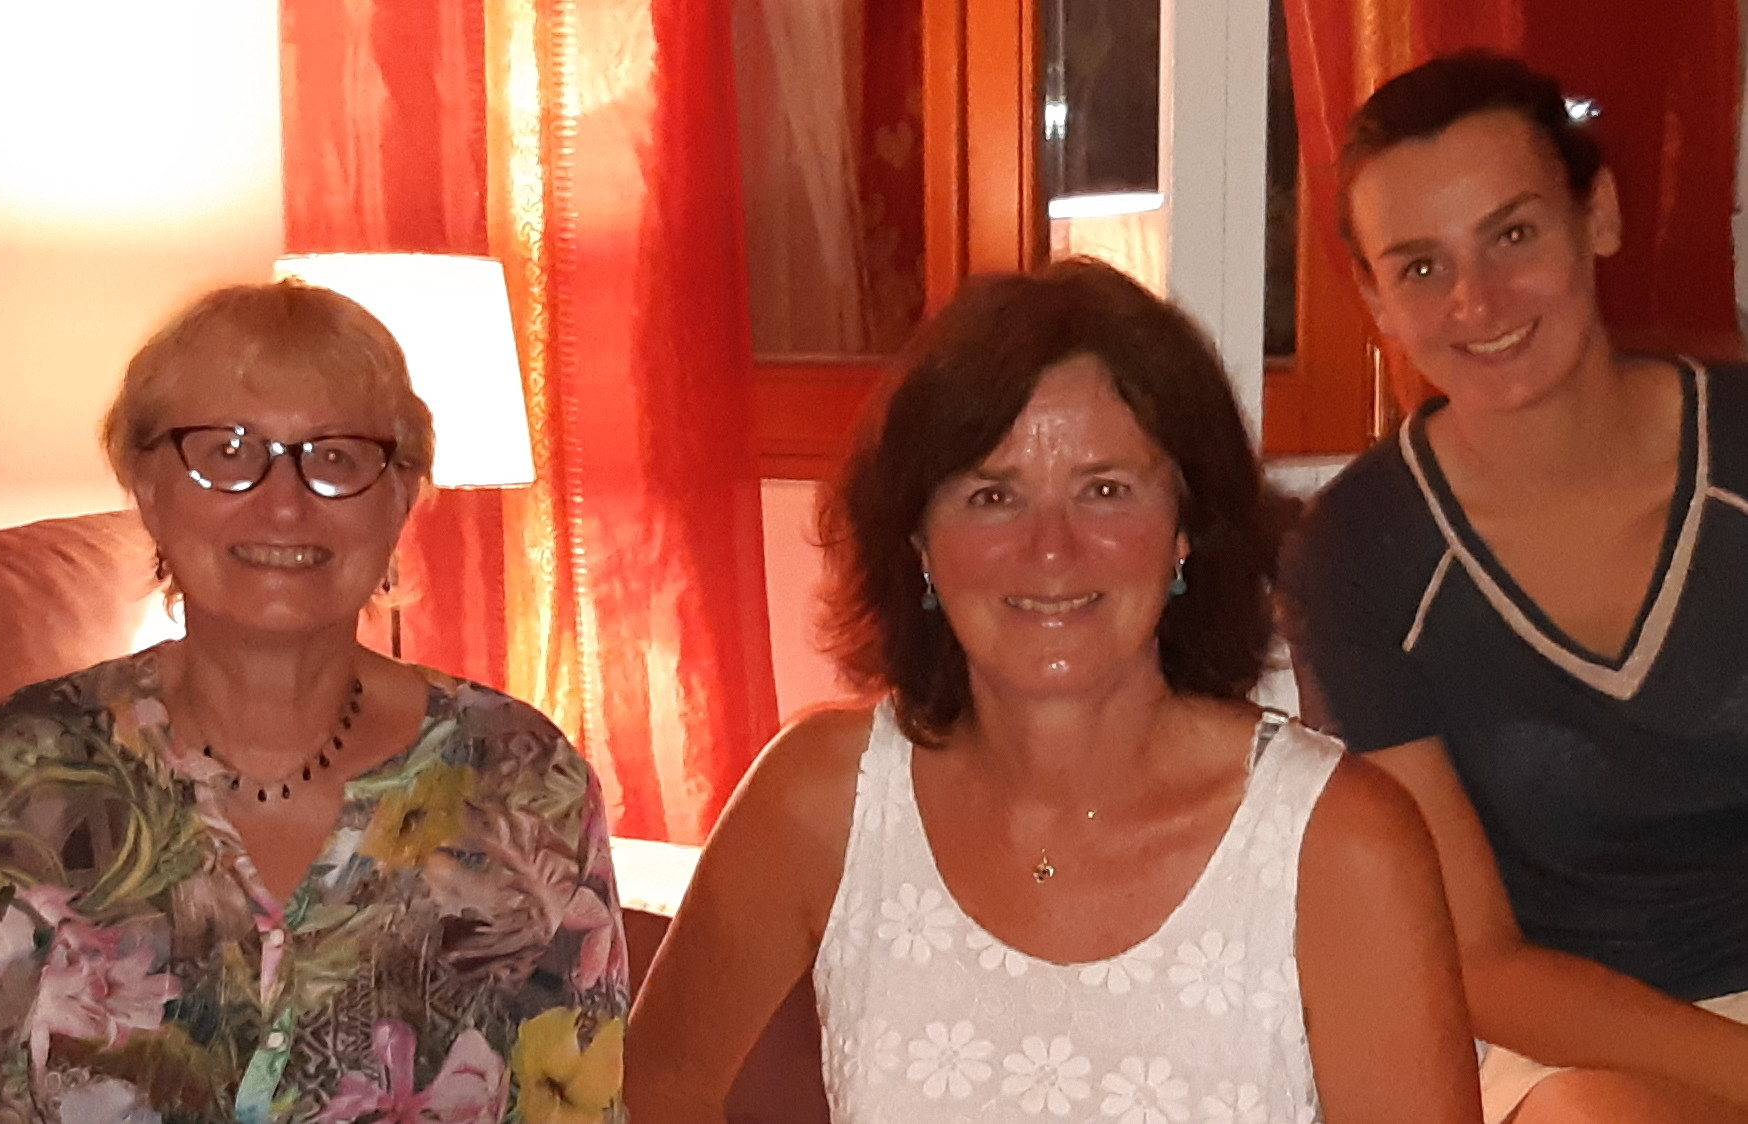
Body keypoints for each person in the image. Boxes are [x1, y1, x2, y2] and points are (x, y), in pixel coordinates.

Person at [628, 260, 1478, 1123]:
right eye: (993, 496)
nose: (1050, 550)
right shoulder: (819, 803)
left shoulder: (1341, 845)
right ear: (918, 540)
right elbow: (657, 1090)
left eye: (1105, 490)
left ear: (1184, 526)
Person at [0, 281, 626, 1124]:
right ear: (146, 485)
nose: (285, 503)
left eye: (337, 458)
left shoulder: (526, 780)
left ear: (400, 496)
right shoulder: (27, 764)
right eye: (227, 451)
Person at [1287, 51, 1748, 1123]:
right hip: (1567, 1048)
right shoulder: (1360, 552)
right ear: (1373, 298)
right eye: (1420, 266)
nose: (1476, 300)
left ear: (1600, 215)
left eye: (1513, 234)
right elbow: (1481, 960)